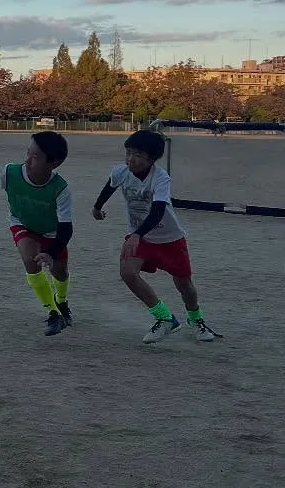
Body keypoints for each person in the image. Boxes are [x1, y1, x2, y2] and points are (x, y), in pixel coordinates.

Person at [92, 129, 219, 345]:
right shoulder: (121, 172)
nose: (131, 159)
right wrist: (97, 207)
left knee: (184, 285)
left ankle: (196, 320)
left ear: (152, 159)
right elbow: (110, 185)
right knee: (127, 272)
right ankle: (165, 318)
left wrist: (137, 234)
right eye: (129, 152)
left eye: (139, 155)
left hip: (169, 238)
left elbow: (158, 210)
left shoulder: (160, 178)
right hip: (140, 237)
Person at [1, 130, 74, 336]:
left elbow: (66, 228)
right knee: (30, 261)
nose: (28, 160)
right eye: (28, 152)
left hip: (52, 232)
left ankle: (61, 301)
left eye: (36, 156)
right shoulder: (8, 173)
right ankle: (52, 313)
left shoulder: (61, 189)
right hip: (22, 224)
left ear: (54, 163)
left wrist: (51, 252)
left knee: (60, 272)